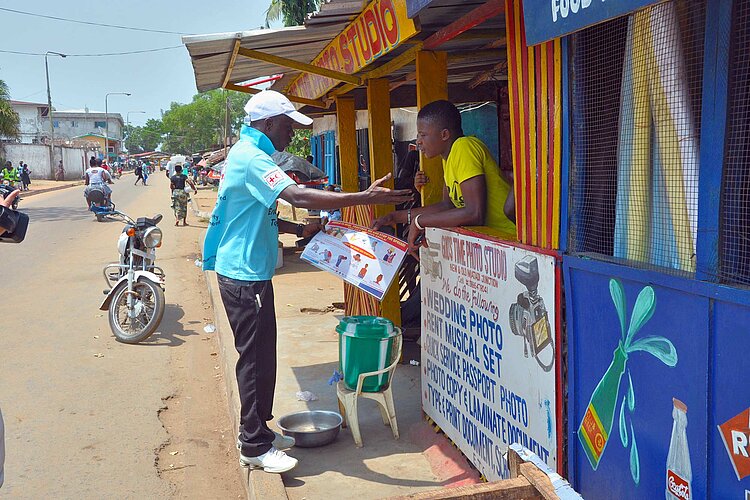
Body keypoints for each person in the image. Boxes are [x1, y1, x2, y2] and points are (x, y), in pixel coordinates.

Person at [202, 90, 412, 474]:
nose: (292, 135)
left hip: (249, 272)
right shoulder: (252, 158)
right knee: (254, 359)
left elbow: (260, 216)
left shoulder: (249, 154)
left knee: (264, 355)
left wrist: (303, 229)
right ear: (267, 124)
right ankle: (253, 444)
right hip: (244, 275)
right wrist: (363, 195)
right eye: (287, 126)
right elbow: (296, 194)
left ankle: (259, 433)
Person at [373, 99, 516, 255]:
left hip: (511, 238)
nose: (418, 141)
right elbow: (447, 206)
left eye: (423, 135)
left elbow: (475, 213)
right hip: (496, 245)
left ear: (444, 134)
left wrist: (420, 222)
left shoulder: (463, 148)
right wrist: (395, 217)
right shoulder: (448, 159)